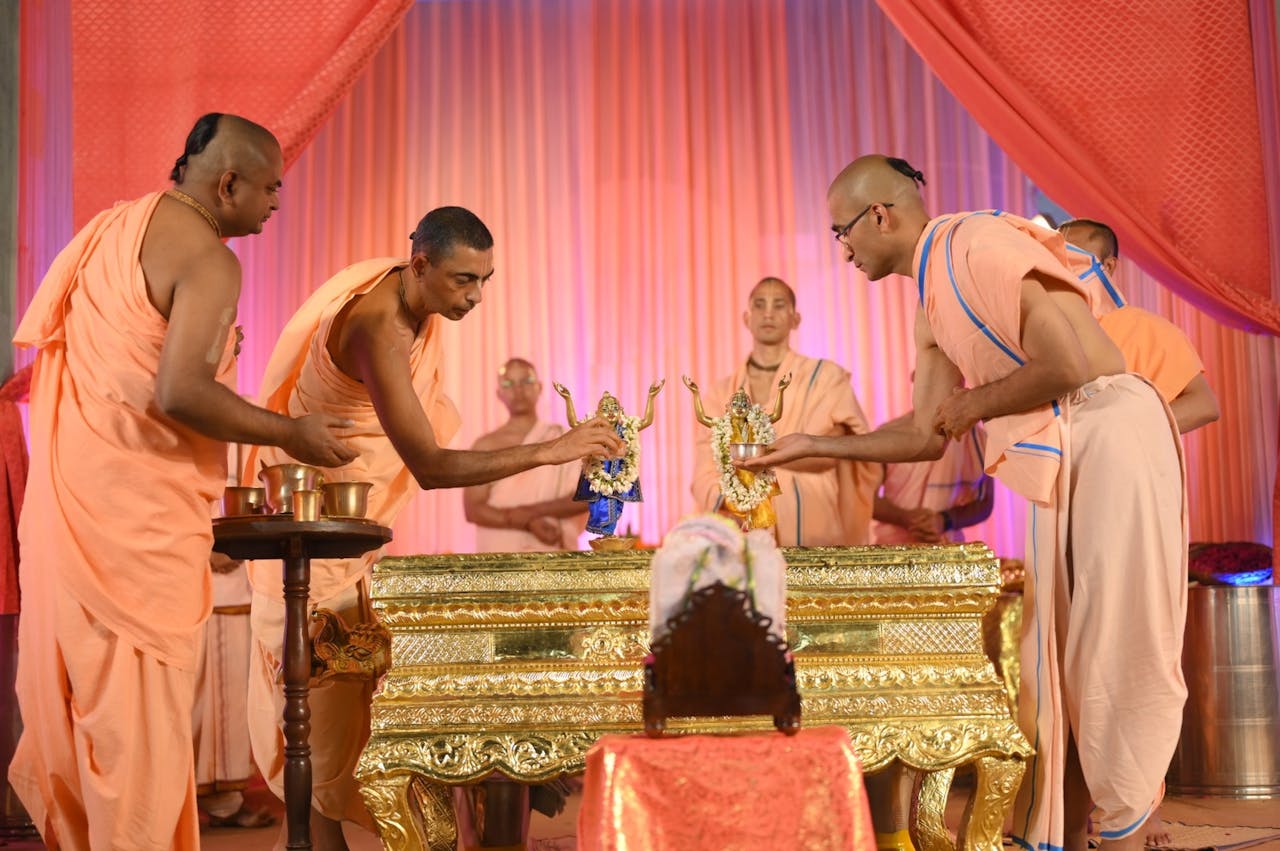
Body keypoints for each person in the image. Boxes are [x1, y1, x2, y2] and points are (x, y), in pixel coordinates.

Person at [741, 155, 1186, 851]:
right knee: (1053, 655)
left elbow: (1068, 365)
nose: (843, 249)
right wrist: (810, 445)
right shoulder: (929, 303)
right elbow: (924, 435)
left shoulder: (973, 243)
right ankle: (1060, 835)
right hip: (1067, 445)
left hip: (1107, 424)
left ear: (879, 215)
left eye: (842, 232)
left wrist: (974, 402)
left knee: (1111, 642)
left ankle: (1126, 827)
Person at [9, 113, 355, 851]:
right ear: (227, 182)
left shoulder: (116, 230)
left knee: (93, 721)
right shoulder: (208, 257)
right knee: (140, 738)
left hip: (73, 513)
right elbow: (179, 394)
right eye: (269, 188)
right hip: (132, 533)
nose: (275, 204)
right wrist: (291, 432)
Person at [243, 206, 624, 851]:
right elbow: (430, 466)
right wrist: (548, 453)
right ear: (418, 265)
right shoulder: (376, 326)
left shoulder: (408, 305)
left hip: (354, 530)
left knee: (341, 707)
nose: (476, 297)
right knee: (320, 711)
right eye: (463, 280)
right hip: (312, 535)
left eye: (485, 280)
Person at [690, 276, 877, 545]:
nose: (768, 313)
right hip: (740, 526)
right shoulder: (721, 392)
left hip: (814, 523)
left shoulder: (825, 377)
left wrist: (754, 458)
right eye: (760, 305)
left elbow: (838, 450)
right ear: (747, 318)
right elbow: (706, 466)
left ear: (795, 319)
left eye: (779, 305)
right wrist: (732, 503)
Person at [1057, 218, 1219, 434]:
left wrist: (1127, 434)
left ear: (1107, 266)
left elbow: (1203, 405)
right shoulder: (1034, 327)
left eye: (1075, 260)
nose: (1063, 269)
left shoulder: (1148, 329)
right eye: (1056, 259)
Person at [464, 357, 587, 552]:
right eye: (508, 383)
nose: (518, 390)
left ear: (539, 387)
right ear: (499, 394)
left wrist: (532, 513)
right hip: (499, 556)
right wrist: (528, 522)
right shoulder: (485, 446)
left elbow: (586, 497)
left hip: (551, 551)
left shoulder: (563, 440)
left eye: (526, 381)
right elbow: (474, 510)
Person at [871, 413, 992, 545]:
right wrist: (905, 518)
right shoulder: (889, 434)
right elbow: (867, 498)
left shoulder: (978, 439)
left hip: (948, 552)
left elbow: (984, 503)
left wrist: (943, 520)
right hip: (892, 550)